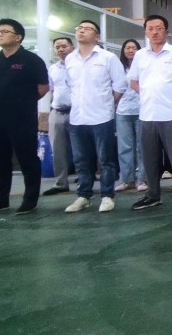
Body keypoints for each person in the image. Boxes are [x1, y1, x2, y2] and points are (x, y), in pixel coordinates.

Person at [0, 18, 49, 216]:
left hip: (22, 120)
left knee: (27, 160)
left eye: (4, 31)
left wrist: (22, 103)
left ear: (18, 37)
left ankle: (30, 200)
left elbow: (43, 88)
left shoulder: (32, 60)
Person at [127, 15, 172, 212]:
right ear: (145, 32)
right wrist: (147, 94)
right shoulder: (140, 55)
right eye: (150, 28)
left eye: (159, 28)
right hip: (147, 115)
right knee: (149, 159)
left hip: (171, 114)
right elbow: (133, 81)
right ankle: (152, 195)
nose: (155, 32)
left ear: (166, 32)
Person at [63, 20, 127, 213]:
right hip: (77, 118)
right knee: (81, 160)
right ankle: (84, 196)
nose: (81, 31)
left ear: (97, 36)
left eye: (87, 29)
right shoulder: (70, 59)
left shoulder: (107, 58)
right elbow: (70, 85)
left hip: (101, 117)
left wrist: (107, 104)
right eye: (79, 28)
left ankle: (107, 196)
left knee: (105, 160)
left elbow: (120, 85)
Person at [42, 37, 74, 196]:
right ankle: (61, 183)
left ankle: (85, 181)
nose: (61, 50)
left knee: (81, 149)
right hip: (57, 112)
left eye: (64, 46)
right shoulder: (53, 69)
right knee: (58, 150)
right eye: (57, 47)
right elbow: (52, 90)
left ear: (72, 47)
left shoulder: (78, 66)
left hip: (77, 112)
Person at [115, 39, 143, 192]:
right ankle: (127, 180)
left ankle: (142, 180)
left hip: (141, 110)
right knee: (125, 147)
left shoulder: (143, 66)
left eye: (134, 48)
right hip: (123, 111)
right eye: (127, 48)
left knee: (142, 146)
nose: (131, 50)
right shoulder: (118, 68)